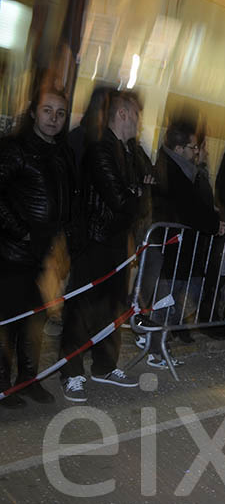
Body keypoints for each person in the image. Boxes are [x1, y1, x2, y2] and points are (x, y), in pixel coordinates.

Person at [58, 90, 145, 402]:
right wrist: (135, 195)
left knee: (112, 307)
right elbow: (120, 198)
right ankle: (71, 373)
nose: (140, 121)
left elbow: (144, 193)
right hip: (95, 239)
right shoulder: (100, 148)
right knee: (82, 307)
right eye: (136, 114)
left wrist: (135, 194)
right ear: (122, 114)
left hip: (117, 241)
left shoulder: (129, 151)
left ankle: (105, 366)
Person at [0, 83, 77, 407]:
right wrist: (22, 232)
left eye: (60, 113)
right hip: (12, 253)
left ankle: (27, 381)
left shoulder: (60, 154)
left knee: (35, 322)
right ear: (33, 112)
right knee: (7, 322)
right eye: (47, 110)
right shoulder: (14, 149)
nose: (53, 119)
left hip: (43, 256)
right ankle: (3, 386)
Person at [144, 119, 225, 368]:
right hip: (169, 247)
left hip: (179, 248)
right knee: (165, 298)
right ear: (179, 149)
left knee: (176, 296)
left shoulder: (181, 170)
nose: (196, 152)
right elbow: (189, 209)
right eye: (193, 147)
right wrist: (213, 223)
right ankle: (155, 348)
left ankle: (159, 343)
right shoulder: (173, 171)